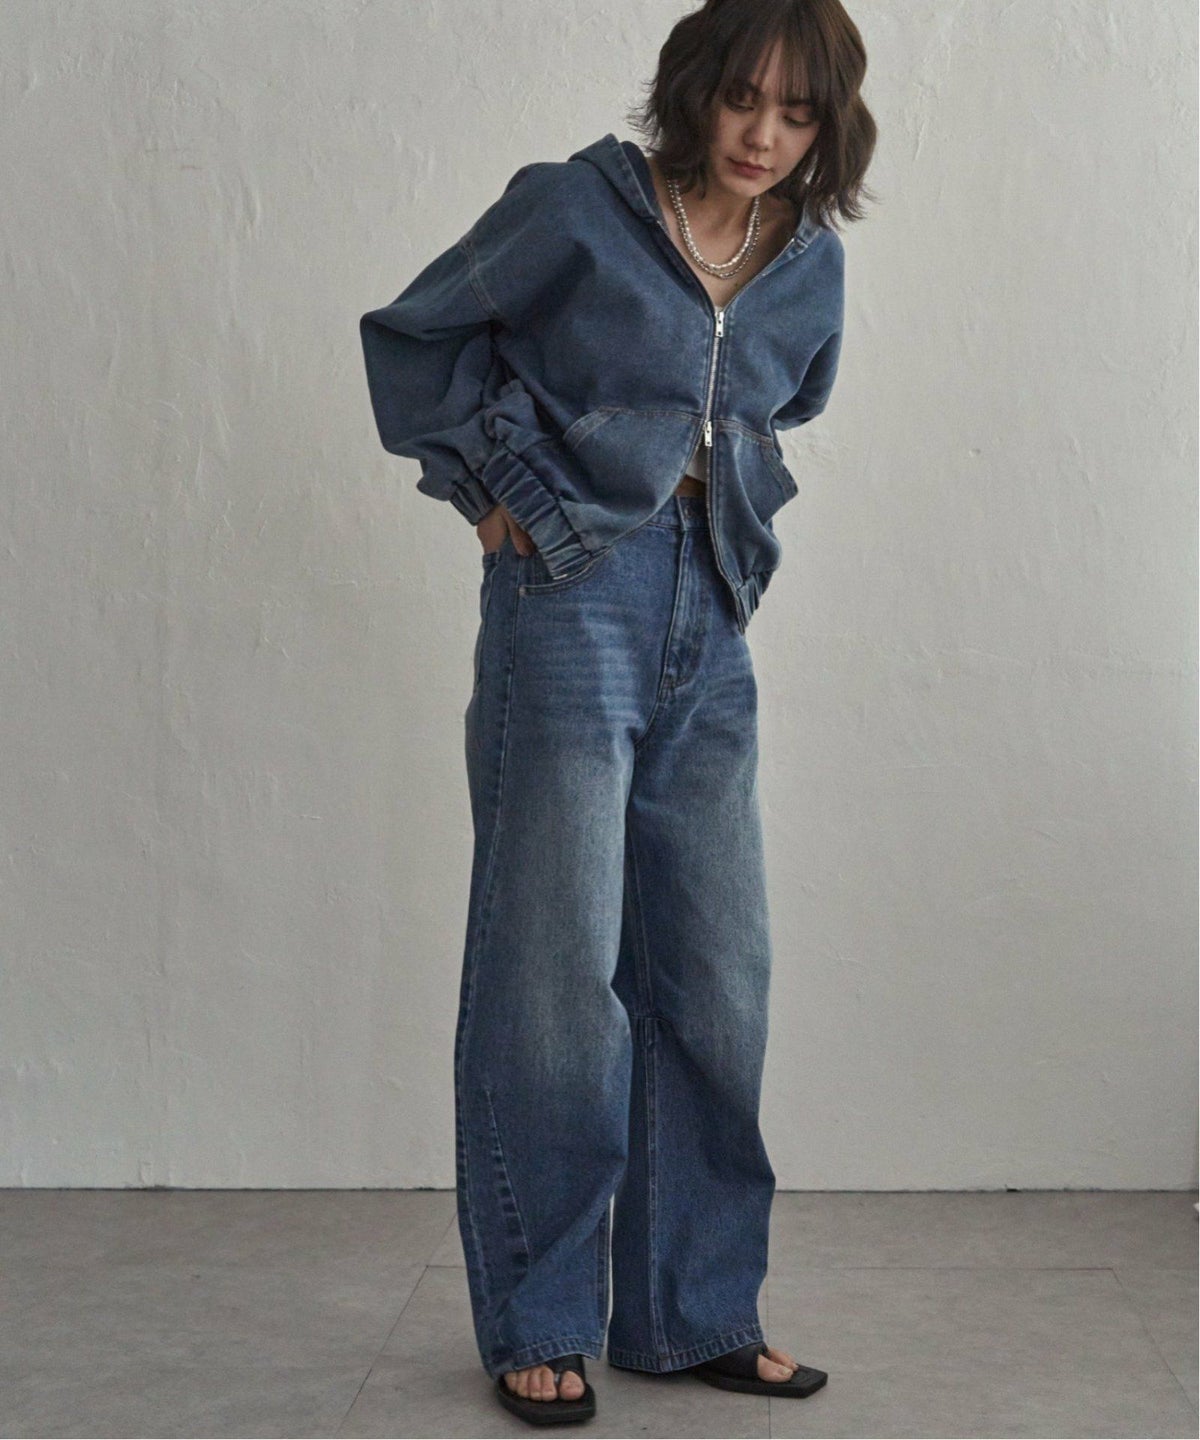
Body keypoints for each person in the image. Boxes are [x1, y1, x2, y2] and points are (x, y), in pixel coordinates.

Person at [359, 0, 876, 1424]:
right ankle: (540, 1318)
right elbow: (416, 337)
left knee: (713, 974)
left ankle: (690, 1309)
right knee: (554, 973)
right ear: (695, 89)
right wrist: (501, 499)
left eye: (798, 114)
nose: (764, 136)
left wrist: (731, 510)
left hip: (712, 610)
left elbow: (782, 405)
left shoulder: (808, 262)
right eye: (745, 100)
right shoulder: (577, 208)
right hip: (573, 594)